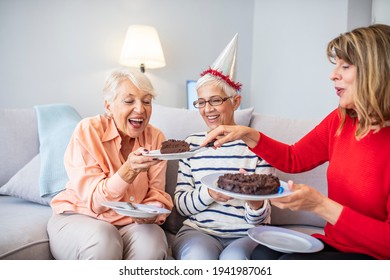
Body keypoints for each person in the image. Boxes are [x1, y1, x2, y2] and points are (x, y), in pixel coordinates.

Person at [202, 24, 390, 260]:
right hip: (337, 243)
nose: (333, 75)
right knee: (261, 255)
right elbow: (294, 158)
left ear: (377, 71)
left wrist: (320, 205)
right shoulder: (342, 120)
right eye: (336, 66)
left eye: (345, 66)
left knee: (289, 264)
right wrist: (246, 134)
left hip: (375, 256)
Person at [47, 68, 173, 260]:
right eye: (129, 101)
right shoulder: (88, 131)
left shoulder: (155, 137)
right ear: (108, 107)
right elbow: (95, 202)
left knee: (153, 240)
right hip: (80, 216)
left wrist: (151, 211)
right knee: (104, 239)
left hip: (130, 222)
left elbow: (156, 191)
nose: (140, 109)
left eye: (146, 101)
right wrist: (128, 170)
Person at [172, 34, 275, 260]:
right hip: (199, 232)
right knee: (199, 259)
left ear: (235, 102)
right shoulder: (191, 145)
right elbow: (181, 205)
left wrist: (254, 201)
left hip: (246, 235)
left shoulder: (257, 146)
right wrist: (209, 193)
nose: (208, 109)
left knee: (236, 262)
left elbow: (263, 217)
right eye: (201, 102)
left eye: (216, 100)